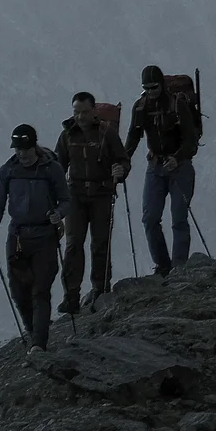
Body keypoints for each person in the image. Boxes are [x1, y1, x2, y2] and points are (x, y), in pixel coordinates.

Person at [0, 124, 68, 348]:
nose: (22, 154)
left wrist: (58, 214)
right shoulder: (8, 171)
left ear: (34, 146)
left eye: (26, 149)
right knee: (19, 292)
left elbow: (66, 200)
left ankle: (38, 343)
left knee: (40, 290)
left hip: (44, 236)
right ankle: (33, 333)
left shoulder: (52, 169)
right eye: (18, 150)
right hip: (18, 236)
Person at [56, 92, 130, 313]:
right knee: (73, 245)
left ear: (94, 110)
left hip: (101, 194)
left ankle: (100, 288)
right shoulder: (67, 135)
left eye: (85, 112)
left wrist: (121, 170)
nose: (80, 116)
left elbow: (122, 160)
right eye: (76, 112)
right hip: (75, 196)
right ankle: (71, 295)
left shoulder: (107, 133)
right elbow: (58, 167)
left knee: (100, 243)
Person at [125, 64, 200, 276]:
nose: (151, 92)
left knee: (178, 218)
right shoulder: (140, 107)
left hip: (181, 167)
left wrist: (177, 158)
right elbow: (133, 136)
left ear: (162, 85)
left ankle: (179, 268)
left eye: (154, 87)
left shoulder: (178, 105)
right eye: (146, 88)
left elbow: (190, 139)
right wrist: (123, 160)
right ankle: (163, 266)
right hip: (156, 166)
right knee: (150, 218)